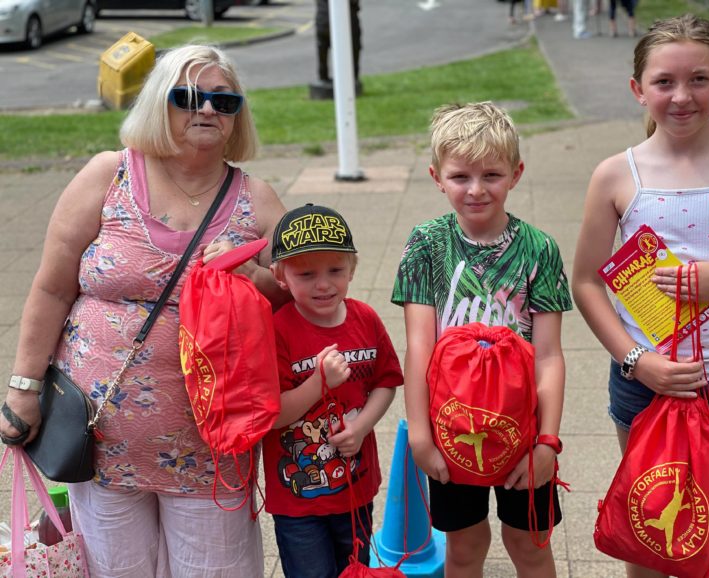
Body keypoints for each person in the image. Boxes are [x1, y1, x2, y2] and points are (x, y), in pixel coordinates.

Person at [0, 44, 288, 577]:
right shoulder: (108, 176)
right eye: (189, 97)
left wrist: (252, 276)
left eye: (224, 102)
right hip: (102, 438)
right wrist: (22, 387)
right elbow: (52, 288)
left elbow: (311, 284)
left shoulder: (258, 199)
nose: (207, 110)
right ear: (160, 102)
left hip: (211, 446)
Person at [572, 14, 709, 578]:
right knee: (648, 523)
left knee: (703, 531)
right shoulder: (615, 175)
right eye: (664, 82)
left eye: (700, 79)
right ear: (639, 89)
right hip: (643, 377)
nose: (682, 96)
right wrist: (637, 360)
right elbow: (585, 279)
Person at [392, 102, 572, 578]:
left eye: (491, 174)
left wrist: (547, 444)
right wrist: (420, 436)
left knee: (530, 543)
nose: (476, 189)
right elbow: (418, 349)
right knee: (466, 545)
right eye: (460, 176)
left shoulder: (540, 249)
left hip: (522, 428)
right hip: (453, 429)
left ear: (516, 174)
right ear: (437, 176)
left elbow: (550, 354)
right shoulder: (426, 244)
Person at [262, 204, 403, 578]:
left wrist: (361, 428)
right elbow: (272, 414)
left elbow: (387, 382)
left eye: (335, 271)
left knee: (354, 571)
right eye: (306, 274)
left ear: (352, 269)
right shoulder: (276, 331)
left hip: (355, 490)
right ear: (280, 275)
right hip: (297, 499)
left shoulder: (366, 320)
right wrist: (318, 384)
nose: (323, 284)